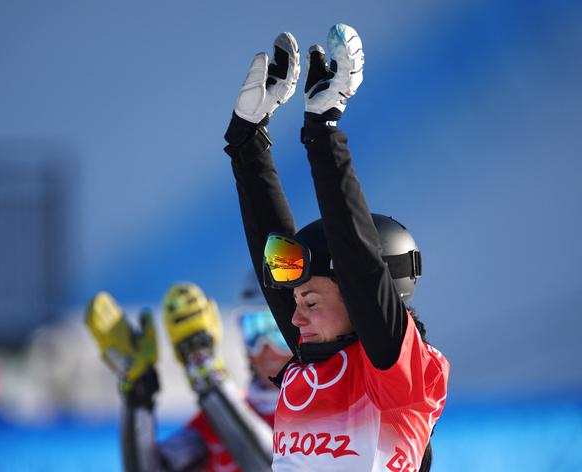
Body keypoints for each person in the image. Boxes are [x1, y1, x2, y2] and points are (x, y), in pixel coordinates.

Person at [223, 24, 450, 471]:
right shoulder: (312, 368)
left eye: (309, 300)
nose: (294, 316)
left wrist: (323, 131)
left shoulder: (395, 379)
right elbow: (273, 256)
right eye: (297, 302)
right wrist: (246, 143)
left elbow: (360, 266)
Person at [85, 279, 293, 472]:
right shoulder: (216, 419)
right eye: (254, 328)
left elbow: (275, 467)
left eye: (278, 331)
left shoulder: (321, 410)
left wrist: (208, 375)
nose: (266, 346)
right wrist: (138, 396)